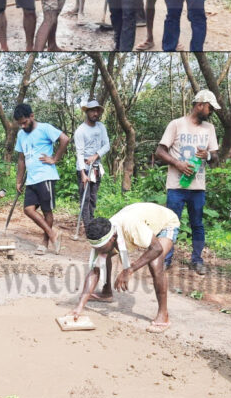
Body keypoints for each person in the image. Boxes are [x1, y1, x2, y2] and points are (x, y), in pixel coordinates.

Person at [70, 203, 180, 332]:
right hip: (141, 220)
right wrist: (79, 307)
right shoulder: (104, 233)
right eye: (97, 249)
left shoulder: (130, 227)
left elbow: (156, 248)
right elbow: (95, 270)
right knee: (104, 257)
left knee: (155, 262)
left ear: (114, 238)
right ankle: (106, 293)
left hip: (165, 223)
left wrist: (129, 270)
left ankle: (163, 315)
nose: (99, 251)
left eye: (101, 248)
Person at [154, 89, 220, 274]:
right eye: (210, 108)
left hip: (197, 187)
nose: (211, 112)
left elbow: (215, 156)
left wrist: (207, 155)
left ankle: (197, 260)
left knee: (197, 223)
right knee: (170, 223)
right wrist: (178, 164)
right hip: (176, 185)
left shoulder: (209, 129)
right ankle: (166, 258)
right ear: (200, 105)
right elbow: (160, 151)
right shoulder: (176, 125)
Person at [13, 103, 70, 255]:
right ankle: (53, 234)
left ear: (32, 116)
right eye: (20, 124)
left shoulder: (45, 128)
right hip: (31, 179)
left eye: (25, 122)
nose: (23, 126)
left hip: (46, 176)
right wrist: (19, 180)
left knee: (47, 211)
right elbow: (21, 158)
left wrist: (55, 159)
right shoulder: (21, 135)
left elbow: (65, 139)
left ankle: (44, 243)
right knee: (28, 210)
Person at [74, 100, 110, 228]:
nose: (95, 113)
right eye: (92, 111)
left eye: (97, 111)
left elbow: (107, 145)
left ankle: (91, 221)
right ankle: (88, 225)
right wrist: (83, 174)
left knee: (93, 197)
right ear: (87, 112)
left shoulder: (101, 127)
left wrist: (96, 155)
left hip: (96, 167)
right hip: (84, 168)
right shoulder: (80, 131)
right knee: (85, 197)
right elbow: (79, 153)